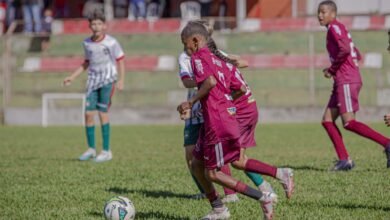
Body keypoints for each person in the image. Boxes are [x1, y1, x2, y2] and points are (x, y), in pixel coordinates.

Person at [178, 21, 277, 220]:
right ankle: (218, 208)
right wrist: (226, 103)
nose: (185, 49)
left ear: (196, 41)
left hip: (217, 122)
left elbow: (210, 82)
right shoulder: (221, 61)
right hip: (224, 119)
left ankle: (262, 197)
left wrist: (191, 102)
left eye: (185, 44)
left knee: (213, 173)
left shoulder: (198, 58)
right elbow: (240, 88)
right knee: (196, 164)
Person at [318, 0, 390, 170]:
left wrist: (333, 69)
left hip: (346, 80)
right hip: (344, 79)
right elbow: (356, 53)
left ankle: (387, 143)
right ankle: (344, 160)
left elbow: (345, 50)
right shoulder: (338, 28)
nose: (320, 16)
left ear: (333, 14)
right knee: (327, 121)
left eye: (323, 12)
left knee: (349, 122)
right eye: (318, 13)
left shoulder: (334, 27)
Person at [63, 10, 125, 163]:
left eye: (99, 23)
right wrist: (72, 76)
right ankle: (91, 149)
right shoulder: (87, 43)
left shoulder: (111, 42)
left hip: (107, 80)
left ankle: (106, 151)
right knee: (88, 114)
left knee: (102, 113)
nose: (96, 26)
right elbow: (86, 63)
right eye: (93, 23)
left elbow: (120, 60)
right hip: (92, 81)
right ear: (89, 25)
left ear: (104, 26)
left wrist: (121, 79)